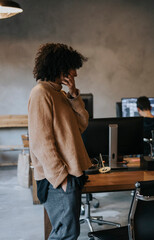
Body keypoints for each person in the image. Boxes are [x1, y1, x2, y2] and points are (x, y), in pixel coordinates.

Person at [28, 43, 92, 240]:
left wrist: (74, 96)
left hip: (70, 173)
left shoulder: (60, 94)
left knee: (69, 232)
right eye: (73, 68)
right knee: (66, 233)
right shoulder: (41, 93)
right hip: (57, 177)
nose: (75, 73)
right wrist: (61, 178)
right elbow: (41, 142)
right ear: (60, 68)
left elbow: (81, 124)